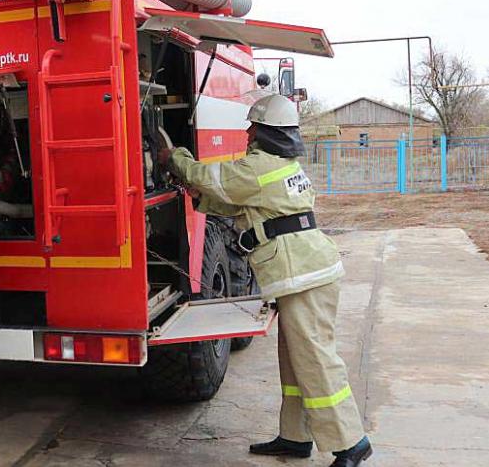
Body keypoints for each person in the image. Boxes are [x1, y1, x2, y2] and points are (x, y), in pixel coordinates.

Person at [159, 92, 373, 467]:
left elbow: (207, 175)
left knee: (316, 359)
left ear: (264, 131)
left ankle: (350, 442)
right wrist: (199, 197)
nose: (247, 134)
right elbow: (239, 203)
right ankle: (295, 437)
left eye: (252, 127)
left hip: (304, 275)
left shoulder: (258, 167)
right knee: (295, 360)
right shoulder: (281, 167)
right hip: (306, 271)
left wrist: (173, 157)